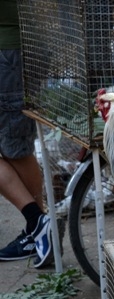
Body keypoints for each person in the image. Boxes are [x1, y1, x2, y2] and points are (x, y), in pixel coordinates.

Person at [0, 0, 55, 268]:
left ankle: (38, 223)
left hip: (8, 55)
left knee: (15, 147)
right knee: (15, 146)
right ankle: (39, 226)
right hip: (16, 51)